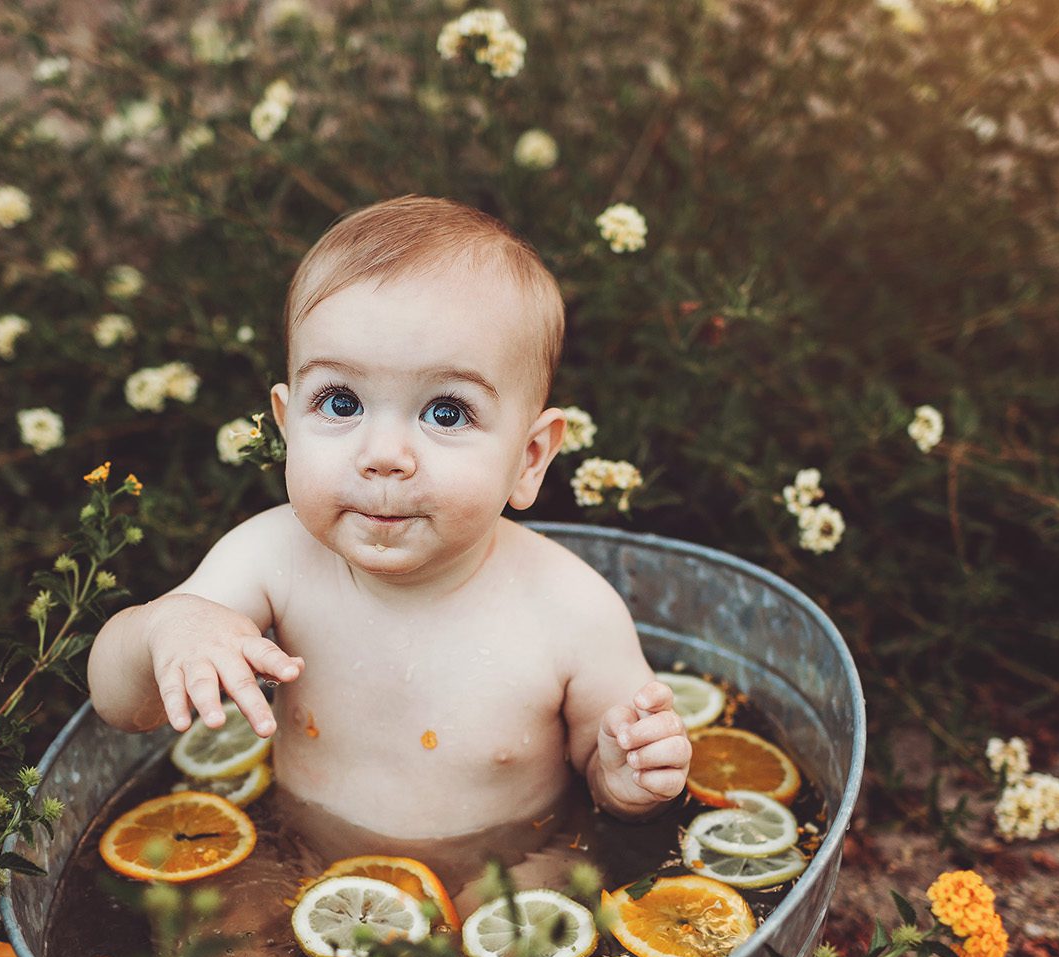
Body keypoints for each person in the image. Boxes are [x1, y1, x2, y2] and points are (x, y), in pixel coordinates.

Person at [87, 196, 689, 840]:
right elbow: (120, 706)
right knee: (227, 932)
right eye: (341, 401)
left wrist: (629, 779)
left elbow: (602, 774)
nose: (382, 456)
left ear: (529, 458)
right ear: (288, 428)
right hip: (297, 863)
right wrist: (166, 627)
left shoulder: (571, 611)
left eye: (446, 413)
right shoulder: (271, 559)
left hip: (507, 877)